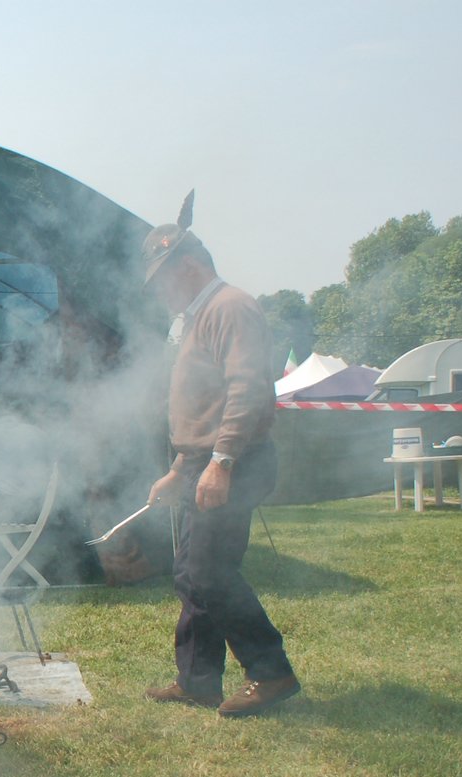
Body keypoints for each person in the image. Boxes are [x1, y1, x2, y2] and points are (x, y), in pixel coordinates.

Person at [141, 196, 300, 717]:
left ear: (187, 267)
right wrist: (178, 469)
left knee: (208, 573)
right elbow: (203, 404)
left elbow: (248, 389)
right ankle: (198, 680)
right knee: (192, 571)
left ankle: (270, 672)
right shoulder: (199, 315)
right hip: (201, 464)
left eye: (162, 278)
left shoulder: (230, 306)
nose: (159, 291)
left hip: (233, 462)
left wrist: (223, 461)